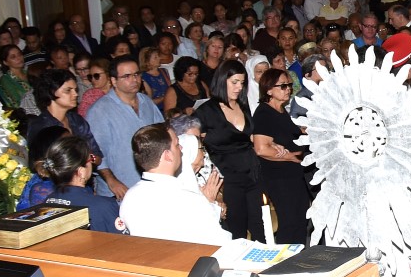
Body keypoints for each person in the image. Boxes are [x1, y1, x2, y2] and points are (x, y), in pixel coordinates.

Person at [119, 124, 230, 245]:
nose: (181, 148)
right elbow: (220, 243)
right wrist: (209, 204)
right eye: (177, 145)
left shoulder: (130, 197)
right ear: (168, 155)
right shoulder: (189, 200)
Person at [195, 60, 263, 241]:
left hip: (252, 173)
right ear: (222, 80)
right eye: (234, 82)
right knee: (235, 230)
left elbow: (250, 138)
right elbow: (194, 145)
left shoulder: (243, 105)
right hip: (227, 179)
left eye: (242, 83)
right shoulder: (205, 111)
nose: (239, 87)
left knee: (259, 226)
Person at [86, 55, 164, 199]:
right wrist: (112, 181)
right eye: (127, 76)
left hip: (150, 185)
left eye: (136, 74)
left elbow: (162, 135)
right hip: (120, 189)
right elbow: (96, 152)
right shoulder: (100, 110)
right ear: (114, 81)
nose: (134, 80)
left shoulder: (146, 102)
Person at [252, 68, 308, 245]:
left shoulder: (281, 111)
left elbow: (288, 135)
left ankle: (298, 259)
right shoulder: (264, 113)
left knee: (300, 219)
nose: (288, 89)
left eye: (289, 85)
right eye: (283, 86)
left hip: (294, 175)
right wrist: (289, 157)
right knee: (289, 221)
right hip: (279, 177)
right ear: (269, 90)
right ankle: (286, 261)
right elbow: (261, 149)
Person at [39, 135, 126, 234]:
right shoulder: (103, 206)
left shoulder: (48, 201)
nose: (93, 163)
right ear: (81, 172)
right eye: (91, 159)